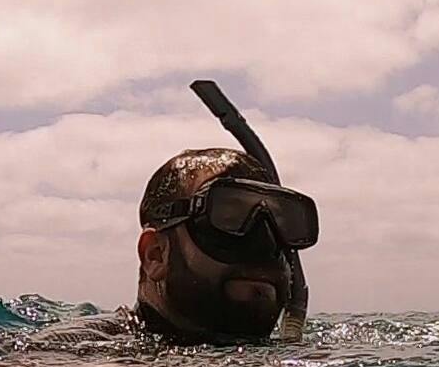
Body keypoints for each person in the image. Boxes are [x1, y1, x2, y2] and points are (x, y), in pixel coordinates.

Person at [31, 148, 319, 347]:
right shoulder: (77, 351)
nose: (263, 245)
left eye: (281, 222)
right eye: (228, 217)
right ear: (154, 254)